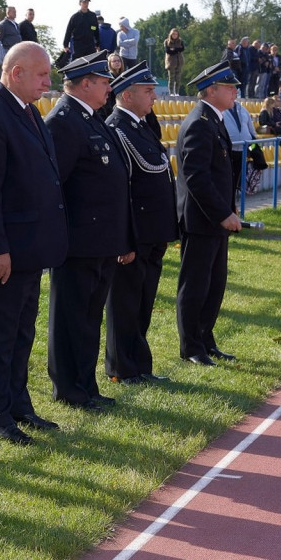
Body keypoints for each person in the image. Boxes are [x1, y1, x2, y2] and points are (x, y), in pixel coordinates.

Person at [0, 41, 68, 445]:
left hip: (29, 247)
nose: (48, 80)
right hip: (4, 251)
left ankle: (17, 404)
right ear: (16, 73)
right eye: (41, 74)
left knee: (22, 331)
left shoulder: (27, 110)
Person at [44, 51, 133, 411]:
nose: (109, 87)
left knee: (89, 317)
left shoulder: (91, 118)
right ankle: (69, 389)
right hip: (78, 243)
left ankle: (87, 384)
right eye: (103, 81)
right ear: (84, 84)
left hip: (101, 242)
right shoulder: (63, 121)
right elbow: (55, 189)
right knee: (71, 318)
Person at [104, 62, 180, 386]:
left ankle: (140, 366)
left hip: (153, 233)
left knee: (143, 301)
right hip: (135, 234)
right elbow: (121, 191)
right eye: (148, 91)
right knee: (125, 302)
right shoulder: (116, 127)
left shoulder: (142, 125)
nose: (154, 96)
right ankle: (122, 368)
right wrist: (124, 239)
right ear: (127, 94)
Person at [175, 62, 242, 366]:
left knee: (214, 284)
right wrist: (221, 214)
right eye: (230, 87)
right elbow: (196, 176)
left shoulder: (214, 120)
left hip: (215, 221)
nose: (235, 92)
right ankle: (191, 346)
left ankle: (205, 338)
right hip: (202, 220)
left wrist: (229, 211)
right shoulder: (200, 123)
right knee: (196, 285)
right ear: (211, 91)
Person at [222, 98, 265, 197]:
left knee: (237, 177)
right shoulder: (222, 110)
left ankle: (232, 202)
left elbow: (251, 131)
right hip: (228, 150)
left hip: (243, 150)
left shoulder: (243, 110)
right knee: (227, 177)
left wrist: (254, 147)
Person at [164, 29, 185, 96]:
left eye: (176, 34)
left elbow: (182, 49)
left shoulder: (180, 41)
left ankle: (177, 92)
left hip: (179, 61)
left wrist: (174, 49)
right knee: (171, 78)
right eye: (173, 34)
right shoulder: (167, 41)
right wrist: (176, 50)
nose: (175, 35)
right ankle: (171, 92)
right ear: (171, 34)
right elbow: (168, 51)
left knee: (178, 78)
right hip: (171, 62)